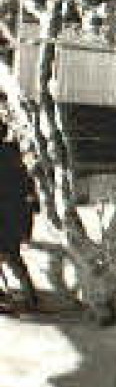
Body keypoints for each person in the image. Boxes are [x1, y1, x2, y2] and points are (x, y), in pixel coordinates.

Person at [0, 134, 39, 313]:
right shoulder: (14, 157)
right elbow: (28, 186)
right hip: (14, 217)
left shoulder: (9, 157)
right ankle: (30, 296)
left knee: (10, 256)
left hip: (7, 217)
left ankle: (30, 297)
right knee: (12, 257)